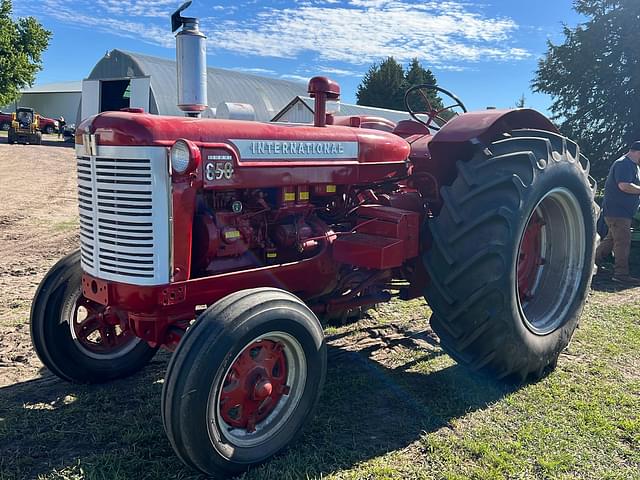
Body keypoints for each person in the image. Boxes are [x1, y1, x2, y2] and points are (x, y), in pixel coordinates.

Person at [595, 141, 640, 284]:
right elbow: (624, 186)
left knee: (610, 241)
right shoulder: (623, 164)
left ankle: (591, 264)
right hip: (618, 212)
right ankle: (621, 274)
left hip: (621, 212)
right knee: (623, 242)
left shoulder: (632, 165)